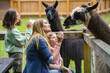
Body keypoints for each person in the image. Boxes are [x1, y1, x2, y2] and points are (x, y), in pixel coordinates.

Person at [2, 9, 32, 73]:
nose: (19, 17)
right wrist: (29, 29)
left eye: (19, 15)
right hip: (16, 54)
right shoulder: (12, 31)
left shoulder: (12, 28)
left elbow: (19, 39)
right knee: (17, 71)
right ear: (12, 17)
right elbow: (23, 42)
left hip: (15, 54)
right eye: (17, 16)